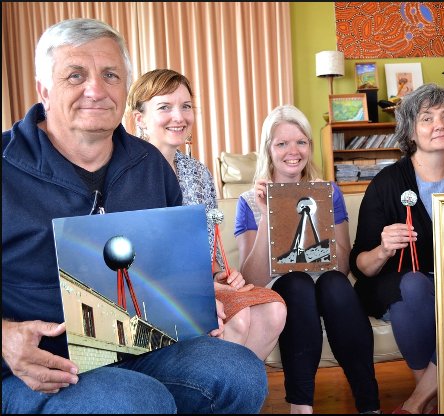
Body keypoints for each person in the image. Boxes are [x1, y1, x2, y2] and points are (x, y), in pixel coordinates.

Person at [2, 18, 266, 414]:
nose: (95, 89)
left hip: (140, 346)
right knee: (138, 401)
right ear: (44, 90)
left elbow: (174, 264)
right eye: (75, 75)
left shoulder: (150, 165)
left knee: (239, 371)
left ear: (125, 87)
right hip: (39, 363)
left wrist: (194, 298)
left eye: (110, 74)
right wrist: (5, 338)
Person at [127, 68, 286, 361]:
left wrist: (220, 273)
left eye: (186, 106)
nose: (179, 116)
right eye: (165, 107)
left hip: (203, 282)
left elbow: (208, 248)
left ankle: (236, 398)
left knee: (273, 309)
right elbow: (135, 259)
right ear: (140, 119)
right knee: (237, 320)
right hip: (153, 290)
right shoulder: (126, 173)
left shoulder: (198, 173)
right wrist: (198, 284)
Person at [235, 104, 381, 414]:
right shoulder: (248, 201)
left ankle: (370, 406)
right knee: (298, 283)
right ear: (268, 149)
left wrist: (324, 220)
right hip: (282, 287)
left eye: (301, 141)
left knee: (335, 285)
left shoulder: (329, 191)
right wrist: (266, 216)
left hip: (327, 279)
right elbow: (251, 279)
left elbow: (343, 267)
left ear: (309, 147)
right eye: (282, 143)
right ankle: (301, 407)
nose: (293, 151)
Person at [349, 83, 444, 414]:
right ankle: (431, 392)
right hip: (394, 284)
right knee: (415, 285)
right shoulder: (387, 182)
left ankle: (419, 402)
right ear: (411, 131)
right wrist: (385, 249)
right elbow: (361, 265)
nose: (440, 125)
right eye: (427, 118)